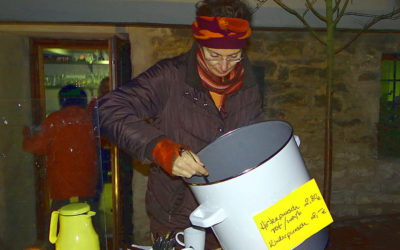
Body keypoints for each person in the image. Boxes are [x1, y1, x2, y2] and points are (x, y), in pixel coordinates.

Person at [98, 0, 263, 248]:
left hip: (231, 211)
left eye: (234, 57)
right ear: (199, 44)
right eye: (214, 55)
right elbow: (107, 111)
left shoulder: (249, 85)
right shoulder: (169, 76)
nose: (224, 66)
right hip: (177, 218)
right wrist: (162, 149)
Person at [23, 84, 99, 215]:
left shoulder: (55, 119)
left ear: (62, 100)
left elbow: (35, 147)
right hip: (88, 187)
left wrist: (26, 136)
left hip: (62, 189)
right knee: (88, 224)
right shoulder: (90, 119)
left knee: (61, 229)